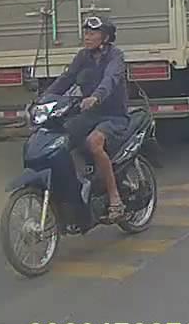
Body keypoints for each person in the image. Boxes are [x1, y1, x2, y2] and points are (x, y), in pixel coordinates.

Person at [43, 15, 128, 223]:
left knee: (94, 142)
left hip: (114, 116)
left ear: (105, 37)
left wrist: (96, 97)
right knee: (60, 139)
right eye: (86, 33)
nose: (87, 37)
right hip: (89, 115)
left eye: (92, 34)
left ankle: (115, 198)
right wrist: (43, 100)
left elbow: (110, 79)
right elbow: (66, 79)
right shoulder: (83, 56)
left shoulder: (115, 56)